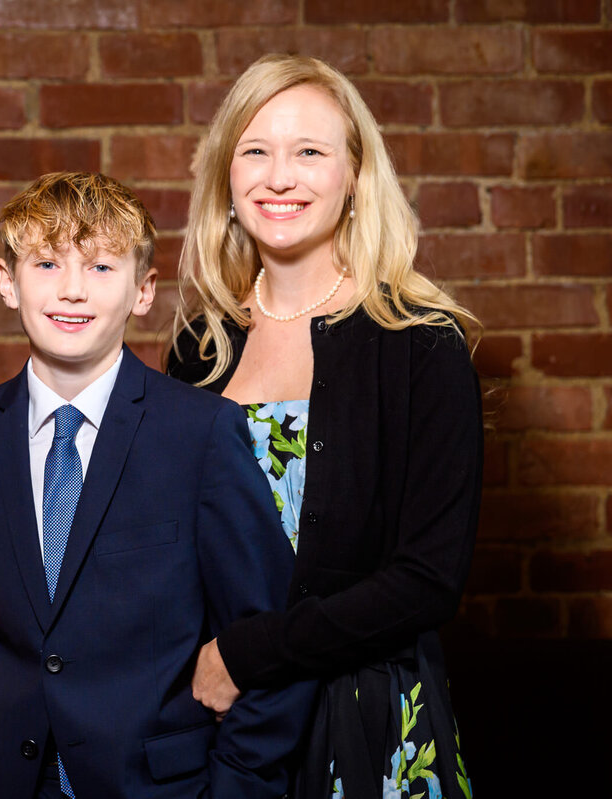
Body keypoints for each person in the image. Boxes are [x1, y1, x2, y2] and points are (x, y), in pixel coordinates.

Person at [0, 171, 313, 799]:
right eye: (47, 263)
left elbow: (267, 645)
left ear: (143, 290)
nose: (72, 290)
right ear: (7, 281)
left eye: (102, 268)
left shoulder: (202, 433)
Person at [166, 54, 482, 799]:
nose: (281, 177)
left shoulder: (421, 342)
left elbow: (427, 580)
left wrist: (248, 654)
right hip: (220, 730)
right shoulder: (198, 348)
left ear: (354, 179)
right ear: (226, 179)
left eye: (310, 151)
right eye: (256, 151)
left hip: (369, 728)